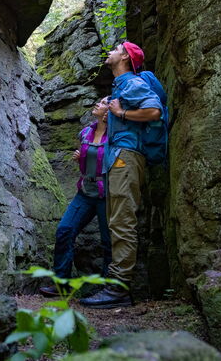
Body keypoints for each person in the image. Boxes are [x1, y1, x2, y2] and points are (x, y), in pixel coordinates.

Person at [80, 41, 163, 309]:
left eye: (115, 49)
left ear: (126, 56)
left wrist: (121, 112)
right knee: (117, 220)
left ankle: (118, 289)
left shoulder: (131, 83)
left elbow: (154, 111)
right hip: (119, 157)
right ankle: (116, 285)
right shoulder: (121, 86)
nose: (110, 52)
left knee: (122, 220)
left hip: (126, 157)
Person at [39, 97, 113, 297]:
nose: (97, 103)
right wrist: (80, 157)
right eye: (98, 101)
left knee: (109, 240)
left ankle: (109, 288)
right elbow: (88, 157)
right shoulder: (86, 132)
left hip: (107, 194)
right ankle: (62, 284)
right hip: (85, 192)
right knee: (65, 230)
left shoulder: (115, 135)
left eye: (103, 103)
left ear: (110, 110)